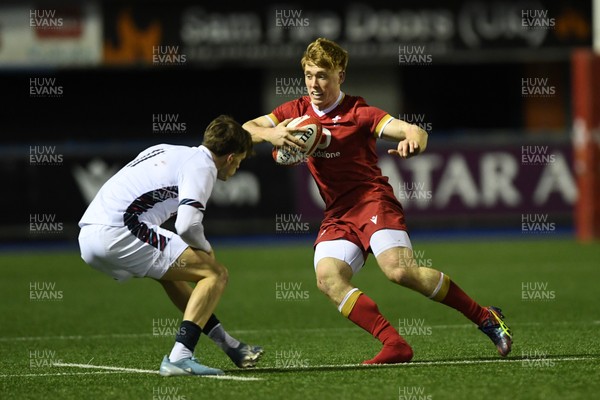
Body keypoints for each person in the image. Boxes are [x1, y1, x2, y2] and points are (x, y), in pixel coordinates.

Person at [242, 38, 512, 364]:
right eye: (310, 75)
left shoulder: (359, 113)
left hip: (372, 200)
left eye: (323, 75)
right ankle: (394, 344)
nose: (314, 83)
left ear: (340, 75)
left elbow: (414, 131)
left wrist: (415, 141)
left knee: (399, 272)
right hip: (338, 213)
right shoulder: (294, 111)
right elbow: (247, 128)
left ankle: (484, 317)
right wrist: (270, 134)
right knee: (327, 278)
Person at [78, 115, 263, 376]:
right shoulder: (204, 167)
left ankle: (231, 345)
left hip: (88, 236)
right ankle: (179, 358)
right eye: (240, 162)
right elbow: (187, 226)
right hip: (120, 230)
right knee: (215, 273)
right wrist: (206, 250)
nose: (236, 170)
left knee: (171, 277)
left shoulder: (165, 149)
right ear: (231, 157)